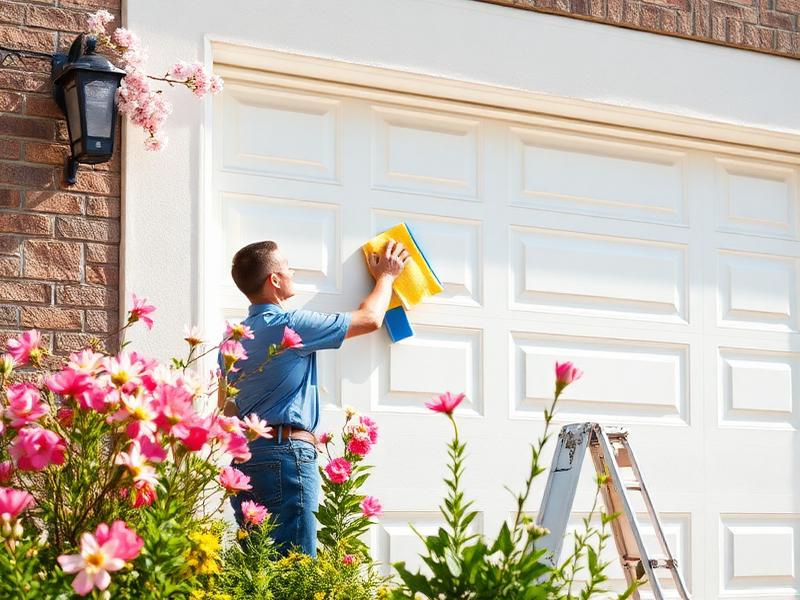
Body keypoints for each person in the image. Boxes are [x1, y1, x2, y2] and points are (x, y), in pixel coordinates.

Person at [218, 239, 408, 556]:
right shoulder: (290, 325)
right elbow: (370, 318)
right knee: (296, 566)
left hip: (246, 461)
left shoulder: (231, 340)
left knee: (259, 567)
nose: (292, 272)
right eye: (287, 267)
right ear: (274, 280)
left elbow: (226, 407)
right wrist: (387, 276)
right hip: (286, 456)